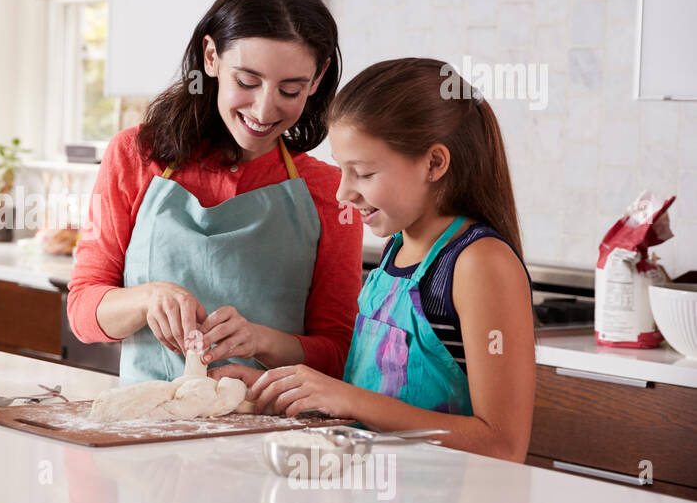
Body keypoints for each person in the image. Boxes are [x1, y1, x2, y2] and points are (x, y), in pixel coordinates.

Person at [214, 58, 536, 462]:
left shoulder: (478, 263)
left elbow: (502, 446)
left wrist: (348, 399)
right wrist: (275, 389)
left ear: (434, 163)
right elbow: (373, 401)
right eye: (342, 170)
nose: (342, 193)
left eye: (363, 174)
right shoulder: (396, 250)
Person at [67, 0, 364, 383]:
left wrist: (260, 340)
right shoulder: (135, 156)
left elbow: (338, 354)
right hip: (146, 430)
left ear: (317, 78)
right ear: (211, 57)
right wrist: (146, 298)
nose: (264, 110)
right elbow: (83, 311)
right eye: (247, 81)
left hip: (271, 438)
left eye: (290, 90)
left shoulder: (331, 192)